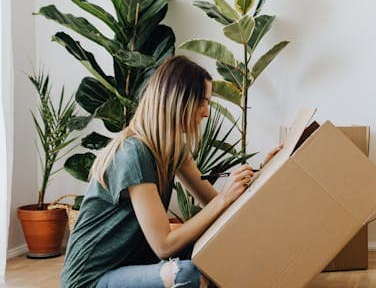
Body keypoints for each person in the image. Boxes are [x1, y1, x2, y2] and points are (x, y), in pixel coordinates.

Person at [60, 56, 281, 288]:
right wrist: (224, 198)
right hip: (90, 280)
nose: (206, 113)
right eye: (202, 102)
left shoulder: (173, 149)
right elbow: (163, 245)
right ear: (178, 102)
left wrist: (262, 173)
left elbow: (216, 206)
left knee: (217, 246)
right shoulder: (134, 152)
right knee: (188, 275)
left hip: (130, 265)